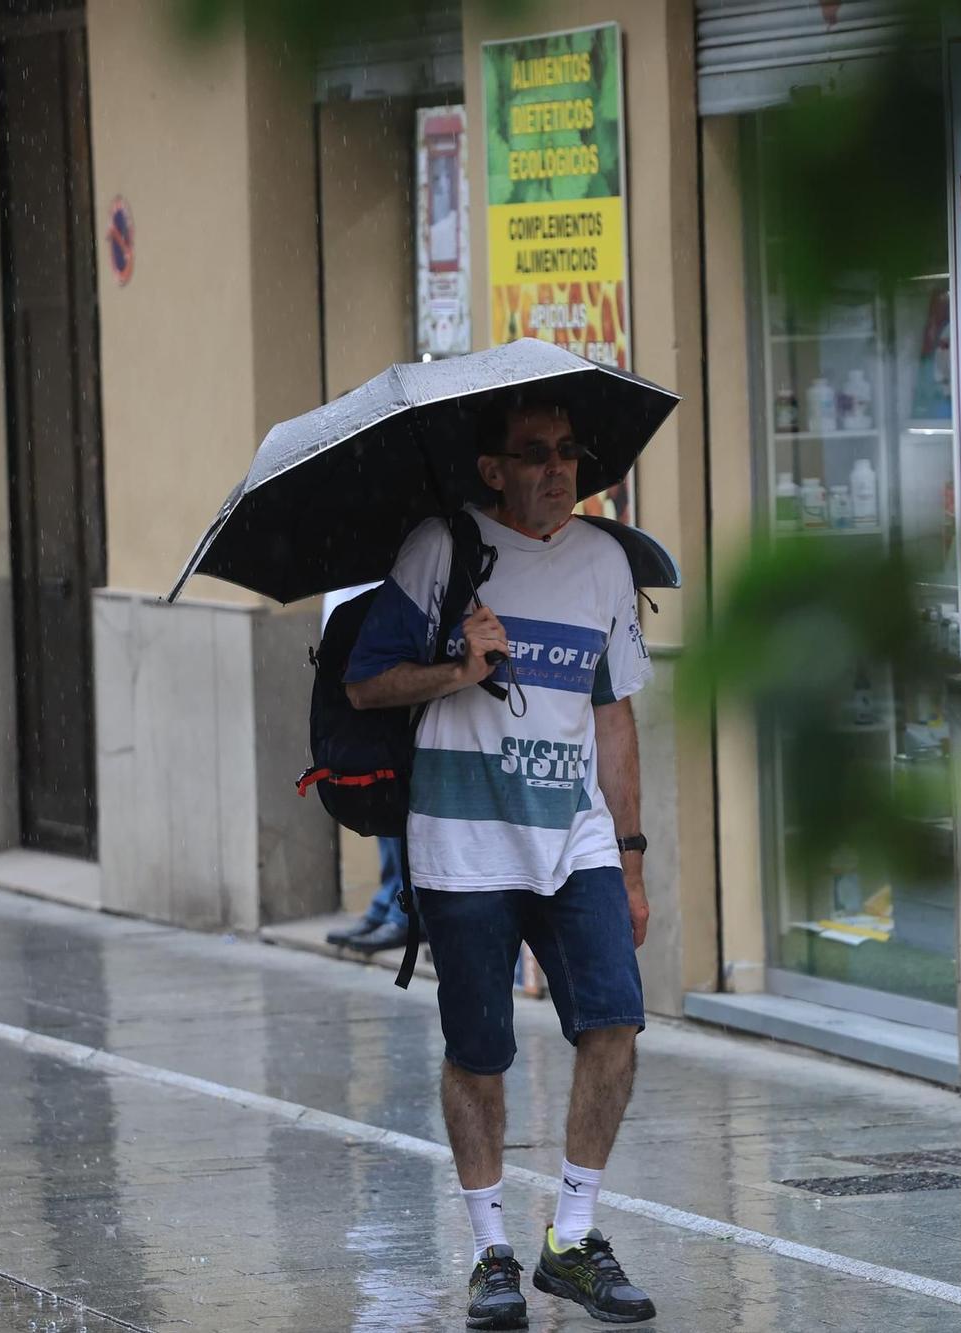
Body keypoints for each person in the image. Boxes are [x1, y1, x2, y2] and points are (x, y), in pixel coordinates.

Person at [345, 396, 657, 1328]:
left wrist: (633, 857)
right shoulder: (440, 552)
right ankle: (489, 1249)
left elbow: (614, 714)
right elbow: (366, 682)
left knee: (614, 1025)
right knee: (479, 1051)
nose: (558, 469)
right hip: (462, 843)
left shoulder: (607, 560)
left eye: (569, 451)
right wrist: (457, 670)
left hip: (576, 838)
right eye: (535, 454)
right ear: (493, 468)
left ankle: (573, 1235)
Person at [318, 582, 416, 956]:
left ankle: (404, 908)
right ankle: (388, 900)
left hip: (383, 661)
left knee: (392, 790)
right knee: (376, 786)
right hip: (354, 661)